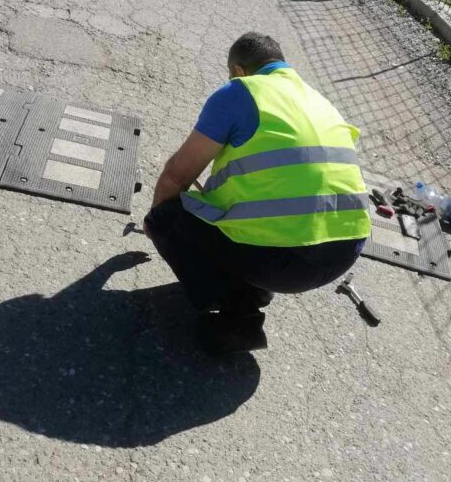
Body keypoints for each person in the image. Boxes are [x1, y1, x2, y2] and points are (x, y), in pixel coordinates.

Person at [144, 32, 372, 354]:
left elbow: (176, 176)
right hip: (344, 254)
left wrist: (153, 223)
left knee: (168, 217)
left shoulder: (240, 93)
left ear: (238, 70)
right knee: (255, 223)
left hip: (283, 262)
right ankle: (253, 288)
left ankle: (237, 314)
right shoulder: (321, 102)